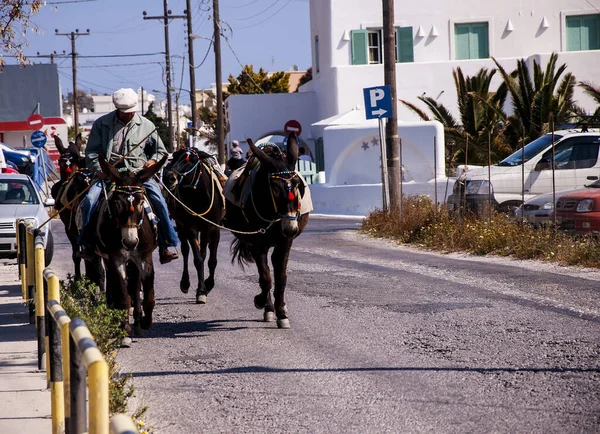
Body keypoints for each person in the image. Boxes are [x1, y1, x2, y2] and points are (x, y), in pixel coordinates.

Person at [78, 88, 179, 264]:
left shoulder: (147, 125)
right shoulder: (102, 124)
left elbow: (160, 152)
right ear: (116, 109)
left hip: (138, 176)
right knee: (89, 200)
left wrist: (152, 161)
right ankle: (87, 244)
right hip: (111, 174)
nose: (127, 115)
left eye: (131, 112)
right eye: (124, 112)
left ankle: (166, 244)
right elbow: (91, 153)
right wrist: (99, 168)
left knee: (159, 200)